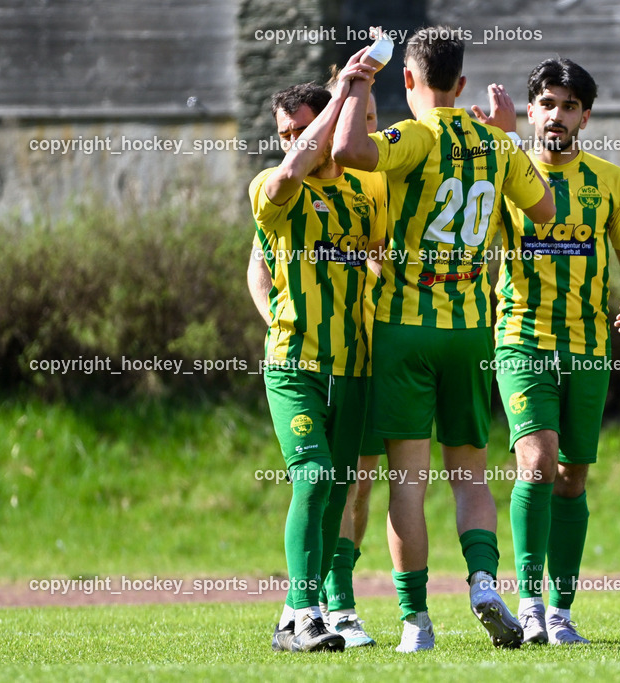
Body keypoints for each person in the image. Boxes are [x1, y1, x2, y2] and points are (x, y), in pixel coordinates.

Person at [332, 26, 555, 652]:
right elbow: (543, 212)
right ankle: (485, 583)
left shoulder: (414, 136)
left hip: (404, 326)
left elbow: (349, 151)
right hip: (470, 330)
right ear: (461, 84)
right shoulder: (496, 143)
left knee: (407, 480)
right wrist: (507, 139)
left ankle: (416, 622)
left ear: (409, 81)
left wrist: (356, 84)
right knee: (471, 473)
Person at [477, 58, 620, 645]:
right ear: (531, 110)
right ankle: (528, 604)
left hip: (588, 347)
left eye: (569, 106)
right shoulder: (505, 169)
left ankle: (561, 610)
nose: (557, 115)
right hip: (521, 338)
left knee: (572, 477)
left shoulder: (611, 181)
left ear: (585, 116)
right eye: (547, 103)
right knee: (537, 464)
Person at [247, 58, 386, 653]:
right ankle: (305, 615)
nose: (289, 143)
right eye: (282, 133)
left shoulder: (362, 193)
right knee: (313, 477)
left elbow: (381, 258)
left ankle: (302, 612)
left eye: (296, 130)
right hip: (294, 366)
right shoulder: (270, 187)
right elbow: (295, 169)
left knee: (339, 488)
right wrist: (340, 98)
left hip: (353, 365)